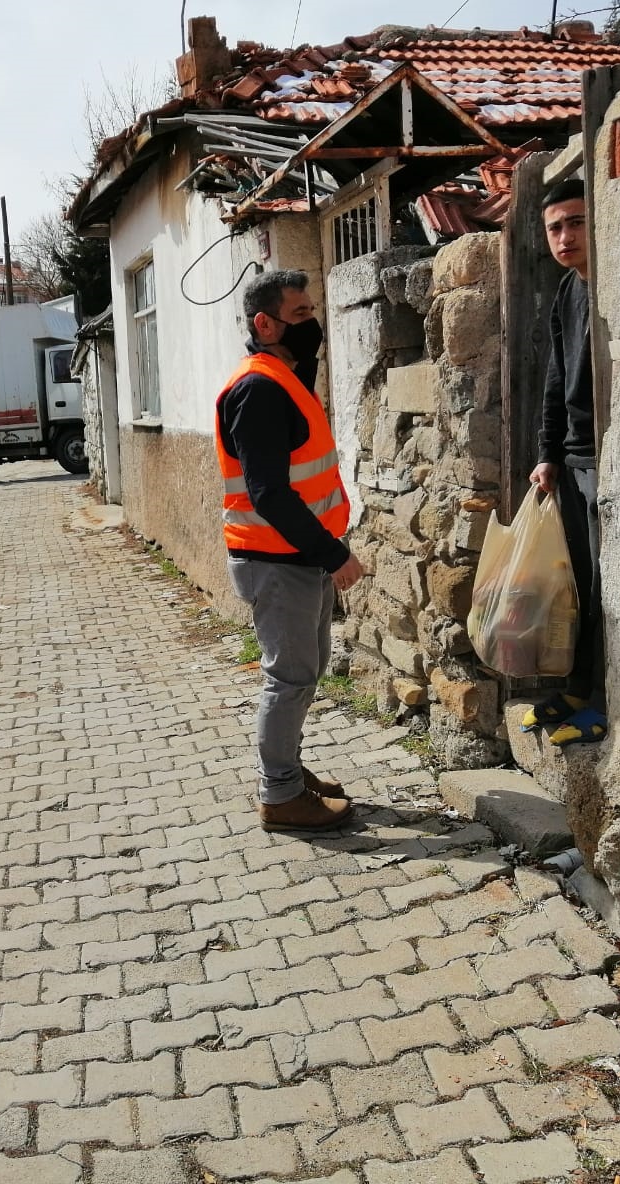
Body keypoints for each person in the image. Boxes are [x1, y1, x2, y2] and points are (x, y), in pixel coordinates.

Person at [216, 269, 365, 833]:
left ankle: (289, 774)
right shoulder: (259, 389)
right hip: (278, 561)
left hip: (293, 558)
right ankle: (279, 794)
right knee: (290, 678)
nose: (313, 324)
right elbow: (269, 494)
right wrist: (333, 554)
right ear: (266, 323)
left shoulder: (284, 378)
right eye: (301, 315)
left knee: (305, 671)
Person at [524, 178, 607, 745]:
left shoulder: (611, 283)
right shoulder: (566, 292)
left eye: (576, 222)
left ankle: (604, 703)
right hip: (574, 457)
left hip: (608, 455)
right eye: (555, 227)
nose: (565, 235)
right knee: (579, 582)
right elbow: (555, 379)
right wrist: (547, 454)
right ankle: (579, 686)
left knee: (606, 585)